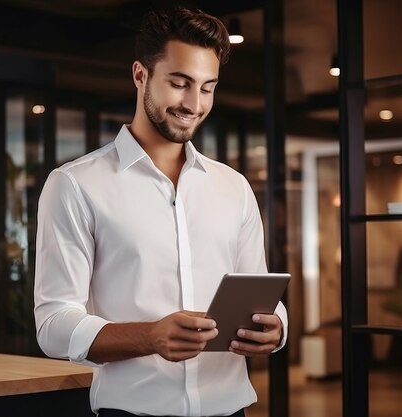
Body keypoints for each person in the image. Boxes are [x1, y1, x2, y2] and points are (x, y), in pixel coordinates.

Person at [34, 6, 288, 417]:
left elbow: (260, 295)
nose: (194, 103)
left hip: (231, 411)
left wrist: (276, 329)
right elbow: (53, 325)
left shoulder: (234, 187)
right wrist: (149, 337)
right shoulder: (75, 185)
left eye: (207, 87)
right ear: (140, 75)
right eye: (180, 83)